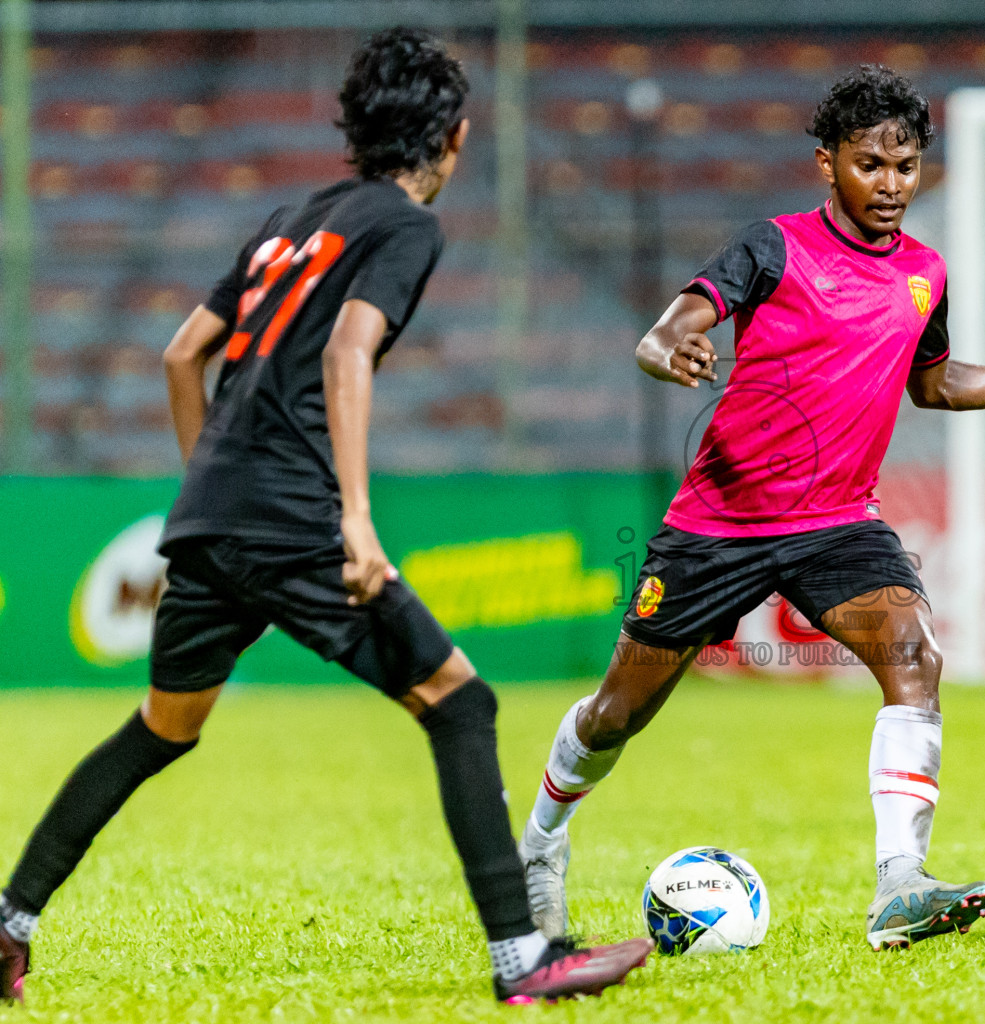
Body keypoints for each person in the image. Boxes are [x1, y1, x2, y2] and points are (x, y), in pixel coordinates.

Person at [0, 28, 651, 1006]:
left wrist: (205, 495)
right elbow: (349, 353)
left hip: (212, 514)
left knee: (162, 728)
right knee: (462, 705)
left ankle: (9, 923)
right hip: (293, 514)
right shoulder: (405, 227)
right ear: (457, 138)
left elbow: (183, 354)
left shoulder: (290, 218)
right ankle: (525, 957)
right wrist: (355, 520)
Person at [513, 64, 985, 952]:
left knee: (913, 655)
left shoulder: (926, 272)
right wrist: (671, 353)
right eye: (870, 164)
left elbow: (934, 383)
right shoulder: (770, 247)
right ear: (826, 163)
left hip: (838, 523)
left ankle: (899, 884)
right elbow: (670, 328)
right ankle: (540, 842)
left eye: (907, 166)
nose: (891, 186)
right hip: (718, 527)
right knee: (620, 712)